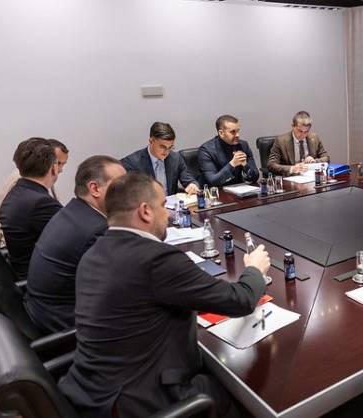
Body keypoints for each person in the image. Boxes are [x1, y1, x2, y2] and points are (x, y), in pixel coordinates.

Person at [58, 172, 270, 418]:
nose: (168, 215)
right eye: (162, 205)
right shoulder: (156, 259)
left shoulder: (92, 253)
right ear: (145, 211)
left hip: (91, 392)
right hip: (138, 402)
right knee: (245, 392)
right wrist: (255, 270)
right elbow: (240, 300)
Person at [25, 156, 126, 334]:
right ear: (95, 188)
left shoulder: (73, 211)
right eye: (121, 184)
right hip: (66, 324)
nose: (129, 190)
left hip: (42, 311)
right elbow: (118, 286)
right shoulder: (95, 229)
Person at [0, 138, 64, 280]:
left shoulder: (16, 193)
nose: (61, 169)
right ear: (53, 167)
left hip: (23, 271)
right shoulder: (41, 203)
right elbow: (74, 241)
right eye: (59, 165)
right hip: (43, 281)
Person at [0, 138, 68, 247]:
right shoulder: (38, 199)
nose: (60, 169)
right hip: (8, 247)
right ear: (52, 166)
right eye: (58, 163)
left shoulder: (21, 188)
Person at [121, 121, 200, 195]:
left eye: (170, 147)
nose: (167, 152)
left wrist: (192, 185)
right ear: (151, 141)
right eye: (163, 147)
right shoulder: (132, 163)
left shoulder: (175, 158)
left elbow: (188, 179)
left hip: (172, 203)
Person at [198, 114, 259, 186]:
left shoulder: (243, 145)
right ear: (221, 133)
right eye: (233, 132)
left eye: (238, 131)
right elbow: (213, 181)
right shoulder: (206, 150)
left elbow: (255, 177)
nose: (237, 135)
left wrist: (245, 165)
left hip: (239, 189)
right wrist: (232, 164)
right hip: (217, 191)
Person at [267, 111, 330, 176]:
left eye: (306, 131)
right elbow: (271, 165)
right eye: (300, 131)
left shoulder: (314, 138)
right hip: (291, 178)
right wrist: (292, 168)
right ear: (293, 126)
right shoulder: (281, 141)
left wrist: (315, 161)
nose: (303, 135)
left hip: (310, 177)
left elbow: (326, 158)